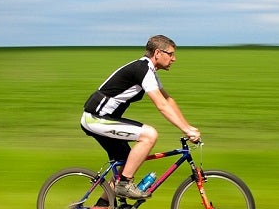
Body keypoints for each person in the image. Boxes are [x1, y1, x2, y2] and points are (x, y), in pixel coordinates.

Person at [80, 35, 201, 200]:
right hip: (95, 118)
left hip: (103, 119)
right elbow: (161, 106)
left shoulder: (149, 70)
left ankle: (102, 207)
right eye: (171, 54)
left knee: (126, 163)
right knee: (149, 135)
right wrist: (185, 130)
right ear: (158, 53)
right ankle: (124, 184)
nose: (174, 58)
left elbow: (168, 100)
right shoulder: (143, 70)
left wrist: (189, 127)